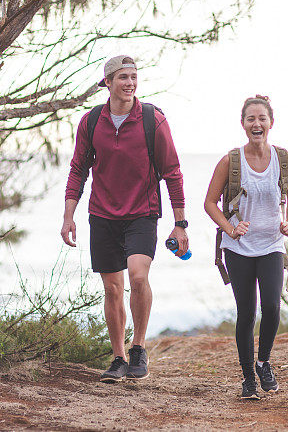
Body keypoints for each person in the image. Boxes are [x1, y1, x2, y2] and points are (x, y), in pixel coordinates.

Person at [61, 55, 189, 383]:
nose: (130, 83)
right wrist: (68, 216)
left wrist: (180, 222)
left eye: (134, 76)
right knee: (112, 289)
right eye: (123, 77)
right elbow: (78, 169)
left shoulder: (152, 120)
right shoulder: (90, 122)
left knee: (138, 278)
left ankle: (138, 347)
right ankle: (118, 358)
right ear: (108, 82)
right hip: (102, 214)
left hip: (142, 214)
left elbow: (172, 171)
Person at [203, 95, 288, 400]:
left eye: (262, 118)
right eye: (250, 119)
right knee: (247, 313)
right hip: (238, 249)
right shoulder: (231, 161)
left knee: (271, 307)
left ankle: (263, 362)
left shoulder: (284, 159)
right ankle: (247, 380)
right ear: (243, 124)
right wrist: (230, 228)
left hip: (272, 245)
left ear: (271, 122)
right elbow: (209, 203)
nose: (256, 124)